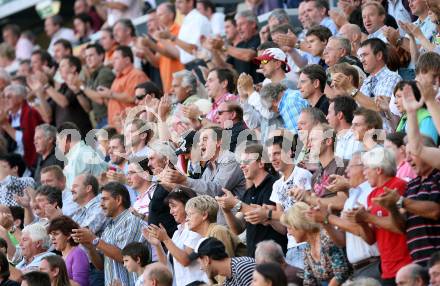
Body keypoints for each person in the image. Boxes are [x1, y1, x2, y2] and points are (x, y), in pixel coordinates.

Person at [219, 143, 288, 257]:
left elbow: (262, 216)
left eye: (246, 162)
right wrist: (226, 210)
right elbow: (238, 229)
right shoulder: (249, 192)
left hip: (273, 258)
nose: (242, 166)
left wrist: (236, 204)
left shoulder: (272, 185)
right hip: (254, 257)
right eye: (241, 163)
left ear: (261, 163)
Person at [71, 182, 144, 286]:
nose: (101, 204)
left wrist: (94, 240)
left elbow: (126, 258)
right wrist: (90, 247)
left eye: (105, 199)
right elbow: (101, 266)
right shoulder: (109, 227)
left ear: (118, 200)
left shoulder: (132, 221)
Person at [145, 187, 208, 286]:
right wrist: (157, 244)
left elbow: (185, 260)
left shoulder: (195, 229)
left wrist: (165, 239)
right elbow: (167, 269)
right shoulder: (176, 233)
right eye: (169, 207)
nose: (171, 212)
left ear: (187, 205)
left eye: (174, 206)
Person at [281, 202, 352, 285]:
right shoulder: (307, 249)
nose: (288, 233)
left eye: (289, 228)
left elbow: (341, 274)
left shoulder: (326, 237)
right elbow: (309, 281)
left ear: (299, 224)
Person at [97, 46, 149, 129]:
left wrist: (109, 93)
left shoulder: (136, 75)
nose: (112, 62)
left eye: (116, 58)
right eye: (112, 59)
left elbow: (132, 97)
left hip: (132, 126)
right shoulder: (118, 78)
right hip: (119, 126)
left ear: (127, 60)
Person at [1, 84, 44, 168]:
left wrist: (6, 125)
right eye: (4, 97)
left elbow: (28, 141)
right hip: (16, 161)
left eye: (9, 97)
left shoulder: (30, 112)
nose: (5, 100)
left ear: (20, 98)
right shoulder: (9, 117)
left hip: (32, 162)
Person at [56, 122, 107, 190]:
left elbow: (74, 191)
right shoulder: (82, 152)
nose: (57, 146)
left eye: (58, 142)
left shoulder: (78, 156)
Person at [189, 237, 256, 286]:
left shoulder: (242, 267)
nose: (201, 268)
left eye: (200, 263)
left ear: (206, 260)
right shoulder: (228, 280)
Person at [80, 43, 115, 129]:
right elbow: (88, 108)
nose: (88, 59)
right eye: (86, 56)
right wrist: (77, 90)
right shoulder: (92, 76)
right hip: (99, 121)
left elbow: (100, 99)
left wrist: (81, 86)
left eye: (91, 55)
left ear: (101, 56)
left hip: (108, 118)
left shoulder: (105, 73)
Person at [47, 216, 89, 286]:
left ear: (69, 235)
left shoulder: (77, 253)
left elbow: (80, 284)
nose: (52, 238)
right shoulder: (60, 258)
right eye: (51, 235)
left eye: (56, 234)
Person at [326, 96, 363, 160]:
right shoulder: (337, 140)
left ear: (339, 115)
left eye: (329, 112)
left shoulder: (358, 140)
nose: (326, 117)